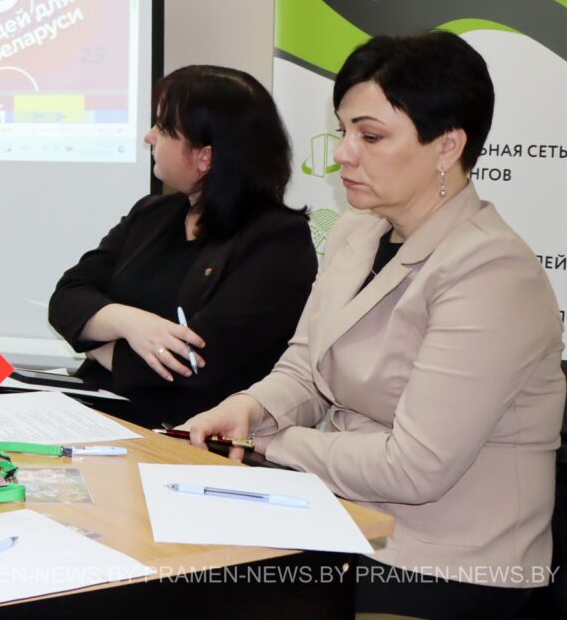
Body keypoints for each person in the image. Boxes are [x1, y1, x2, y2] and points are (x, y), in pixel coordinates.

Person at [183, 32, 564, 618]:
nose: (342, 153)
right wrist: (249, 409)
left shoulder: (491, 272)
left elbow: (415, 468)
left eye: (370, 136)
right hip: (340, 524)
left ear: (447, 146)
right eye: (343, 131)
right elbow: (306, 369)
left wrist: (266, 441)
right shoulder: (356, 231)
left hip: (447, 565)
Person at [48, 65, 317, 430]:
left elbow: (194, 366)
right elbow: (66, 298)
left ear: (204, 157)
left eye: (163, 128)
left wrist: (94, 344)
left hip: (187, 439)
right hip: (95, 419)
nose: (149, 137)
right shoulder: (152, 213)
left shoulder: (278, 241)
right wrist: (130, 322)